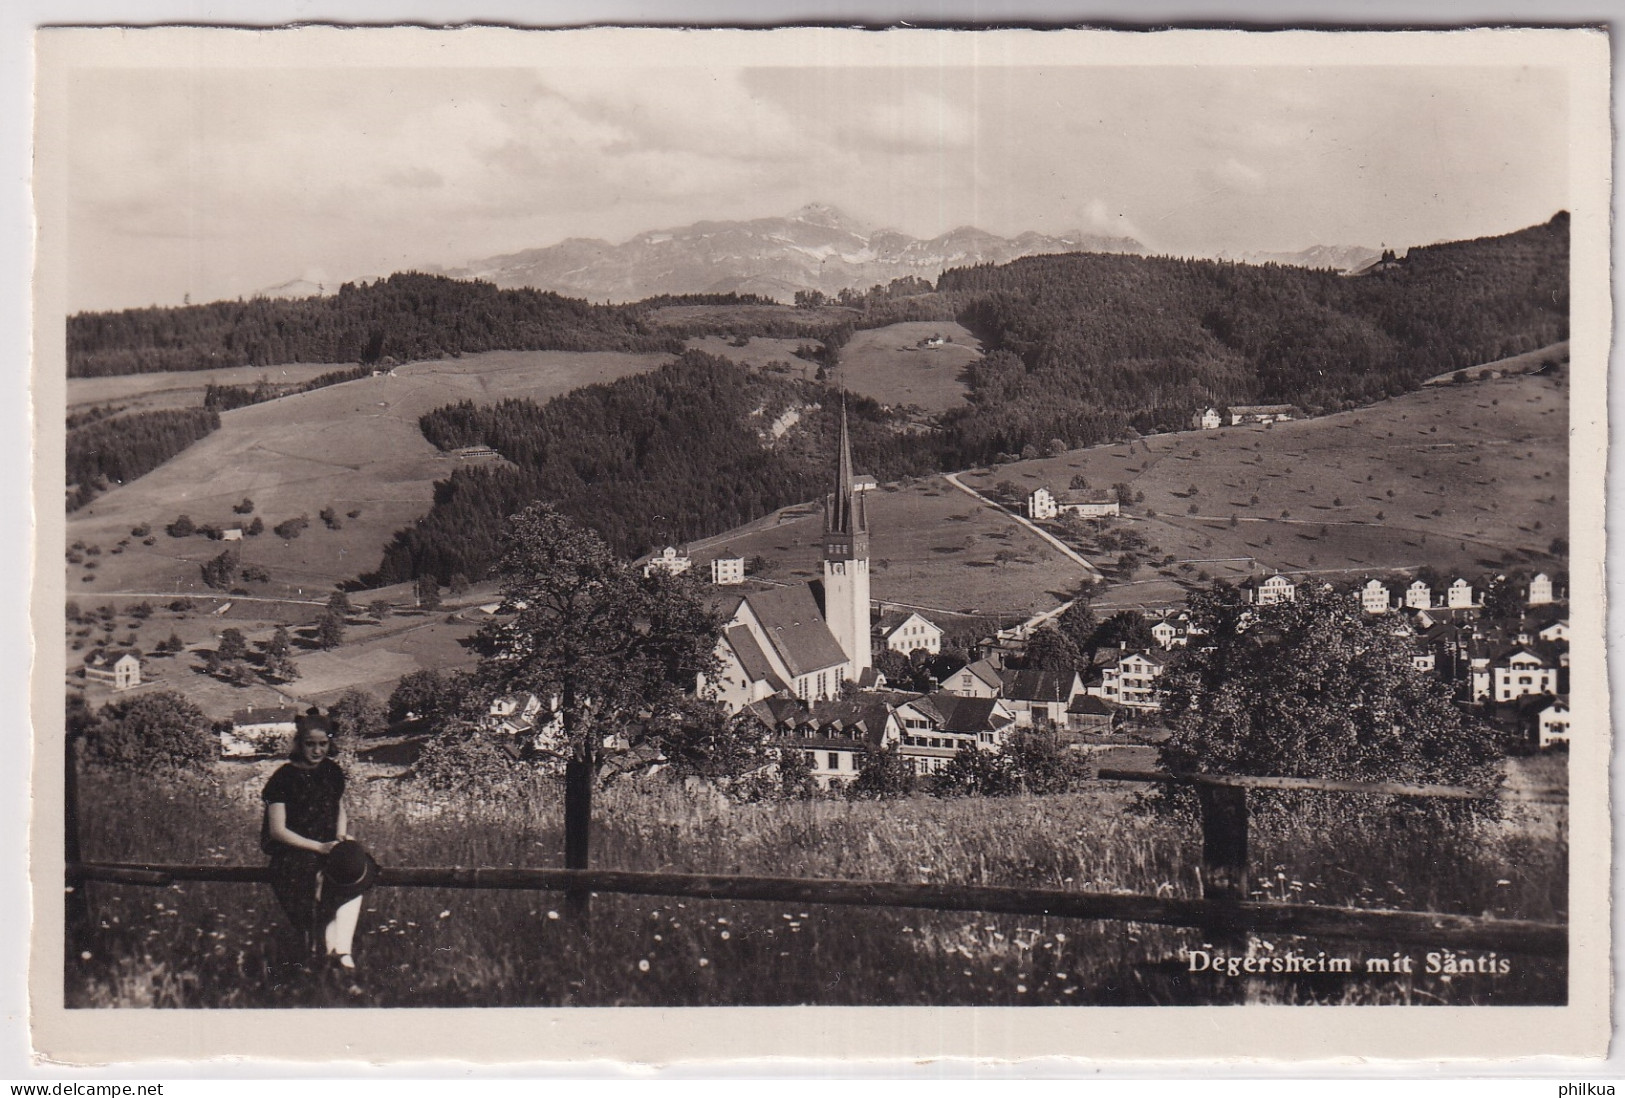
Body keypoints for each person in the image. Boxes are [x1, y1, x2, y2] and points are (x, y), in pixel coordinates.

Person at [262, 708, 362, 970]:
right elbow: (277, 831)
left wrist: (340, 835)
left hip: (327, 847)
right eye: (310, 744)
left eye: (323, 744)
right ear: (299, 744)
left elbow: (339, 808)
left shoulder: (332, 772)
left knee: (355, 871)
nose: (317, 751)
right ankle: (322, 952)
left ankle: (341, 952)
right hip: (293, 852)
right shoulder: (283, 778)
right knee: (318, 880)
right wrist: (318, 847)